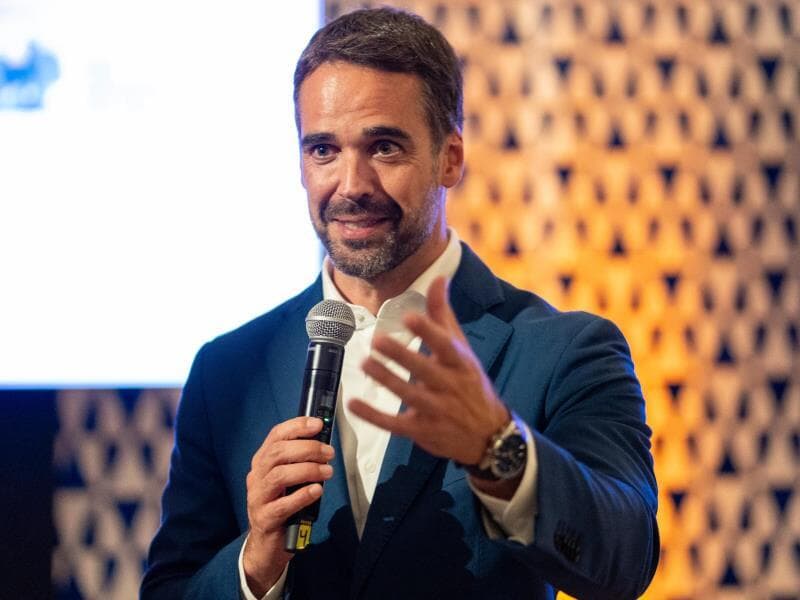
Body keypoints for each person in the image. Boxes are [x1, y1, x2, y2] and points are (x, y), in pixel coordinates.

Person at [141, 7, 658, 600]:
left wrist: (499, 451)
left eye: (384, 147)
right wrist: (255, 562)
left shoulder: (564, 350)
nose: (351, 184)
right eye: (323, 150)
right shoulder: (227, 370)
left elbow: (626, 560)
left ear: (450, 158)